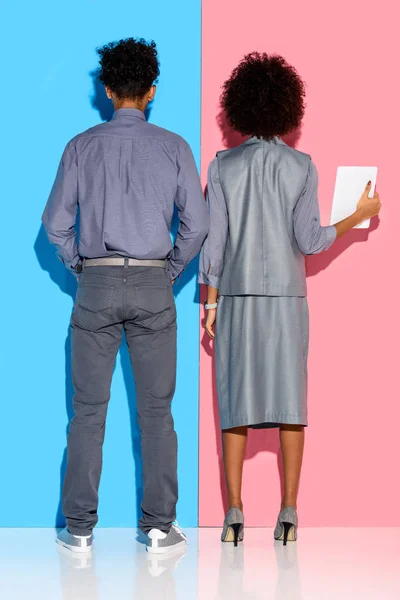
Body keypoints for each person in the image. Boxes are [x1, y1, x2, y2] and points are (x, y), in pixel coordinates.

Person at [199, 52, 381, 546]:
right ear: (286, 107)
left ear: (240, 105)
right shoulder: (301, 166)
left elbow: (212, 245)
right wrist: (357, 213)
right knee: (290, 405)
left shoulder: (221, 166)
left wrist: (209, 306)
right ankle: (289, 512)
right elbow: (311, 241)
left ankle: (234, 513)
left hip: (234, 299)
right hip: (286, 300)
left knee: (234, 403)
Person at [43, 37, 209, 554]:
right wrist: (169, 271)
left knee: (88, 411)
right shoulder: (175, 146)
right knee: (156, 413)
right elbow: (198, 226)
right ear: (151, 91)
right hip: (153, 284)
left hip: (95, 281)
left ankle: (79, 531)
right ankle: (159, 529)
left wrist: (84, 269)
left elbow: (54, 226)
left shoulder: (80, 145)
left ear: (108, 89)